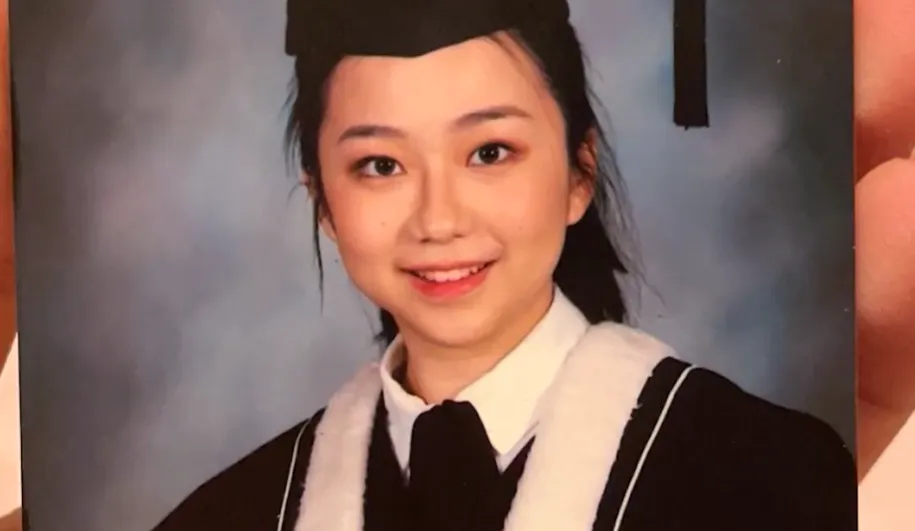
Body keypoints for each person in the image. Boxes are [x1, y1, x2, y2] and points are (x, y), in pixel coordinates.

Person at [0, 1, 913, 531]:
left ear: (578, 173)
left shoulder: (768, 477)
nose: (438, 219)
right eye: (378, 165)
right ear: (323, 201)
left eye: (489, 152)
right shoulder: (229, 517)